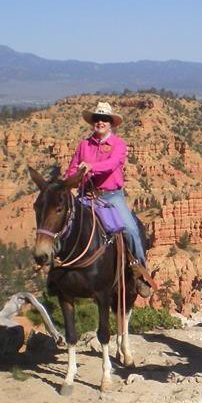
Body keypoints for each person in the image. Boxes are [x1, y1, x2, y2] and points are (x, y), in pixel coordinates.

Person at [65, 100, 154, 297]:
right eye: (97, 118)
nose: (100, 122)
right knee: (64, 224)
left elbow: (112, 164)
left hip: (111, 197)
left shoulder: (118, 144)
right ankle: (60, 266)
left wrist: (91, 167)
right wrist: (67, 183)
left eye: (104, 119)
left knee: (131, 229)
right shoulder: (83, 145)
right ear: (93, 122)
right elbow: (71, 169)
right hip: (86, 196)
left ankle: (140, 273)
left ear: (111, 123)